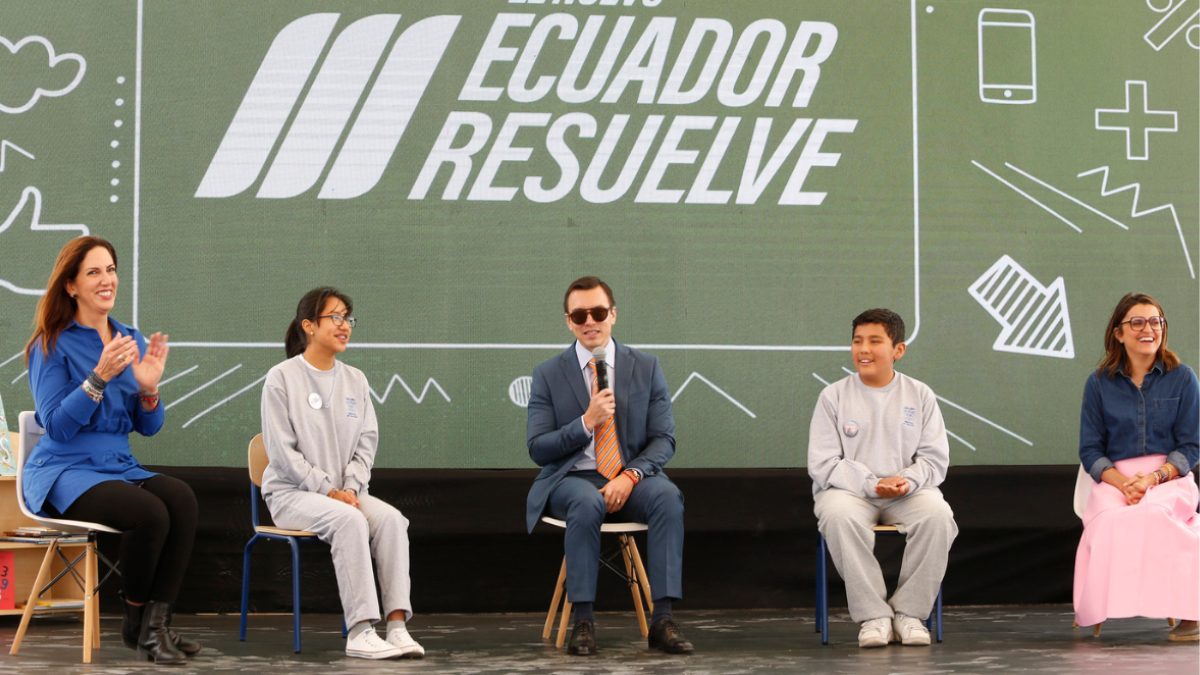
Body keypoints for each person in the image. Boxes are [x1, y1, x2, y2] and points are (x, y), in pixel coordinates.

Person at [22, 236, 198, 664]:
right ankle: (139, 623)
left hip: (117, 463)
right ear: (71, 286)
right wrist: (98, 377)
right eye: (94, 272)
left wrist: (150, 389)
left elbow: (147, 427)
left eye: (111, 270)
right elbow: (58, 427)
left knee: (183, 499)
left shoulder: (129, 337)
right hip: (63, 468)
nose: (107, 280)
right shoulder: (50, 343)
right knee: (149, 513)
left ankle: (155, 627)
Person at [525, 276, 692, 656]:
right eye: (580, 314)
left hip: (630, 475)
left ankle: (663, 620)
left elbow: (663, 439)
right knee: (586, 502)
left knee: (667, 496)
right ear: (568, 321)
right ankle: (583, 621)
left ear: (613, 315)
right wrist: (586, 422)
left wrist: (631, 475)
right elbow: (538, 448)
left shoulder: (646, 366)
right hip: (572, 478)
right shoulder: (548, 374)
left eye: (598, 312)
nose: (590, 321)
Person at [259, 287, 424, 660]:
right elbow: (282, 455)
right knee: (350, 521)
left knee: (393, 520)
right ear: (309, 326)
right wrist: (329, 491)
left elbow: (366, 444)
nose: (344, 325)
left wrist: (349, 486)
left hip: (344, 493)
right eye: (335, 317)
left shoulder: (356, 380)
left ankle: (396, 626)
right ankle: (361, 630)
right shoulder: (281, 378)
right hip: (291, 494)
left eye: (348, 318)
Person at [807, 309, 957, 648]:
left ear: (898, 350)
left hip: (907, 492)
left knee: (939, 516)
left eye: (875, 341)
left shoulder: (920, 395)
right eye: (857, 341)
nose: (863, 349)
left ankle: (910, 614)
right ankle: (874, 617)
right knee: (837, 516)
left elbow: (934, 459)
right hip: (849, 492)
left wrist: (904, 481)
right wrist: (869, 483)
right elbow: (824, 463)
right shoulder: (833, 396)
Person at [1074, 293, 1199, 641]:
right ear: (1119, 333)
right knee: (1113, 521)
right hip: (1115, 482)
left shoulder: (1184, 378)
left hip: (1168, 478)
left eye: (1156, 321)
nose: (1149, 329)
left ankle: (1192, 617)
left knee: (1157, 515)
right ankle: (1098, 609)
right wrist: (1123, 482)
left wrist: (1154, 478)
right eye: (1138, 322)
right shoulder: (1098, 383)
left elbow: (1191, 447)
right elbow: (1090, 450)